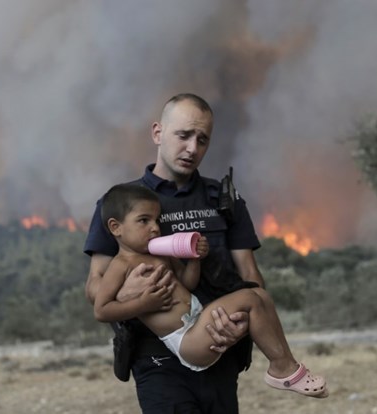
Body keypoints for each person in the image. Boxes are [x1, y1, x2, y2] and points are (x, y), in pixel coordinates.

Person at [84, 93, 265, 413]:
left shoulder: (223, 199)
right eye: (183, 135)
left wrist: (241, 324)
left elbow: (250, 274)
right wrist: (132, 293)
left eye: (202, 139)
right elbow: (95, 284)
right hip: (157, 356)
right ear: (157, 132)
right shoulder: (123, 203)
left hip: (218, 349)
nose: (193, 148)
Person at [93, 183, 328, 399]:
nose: (155, 228)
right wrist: (143, 304)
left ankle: (285, 362)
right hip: (186, 339)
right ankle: (281, 368)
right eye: (144, 221)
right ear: (116, 227)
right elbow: (102, 310)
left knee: (259, 295)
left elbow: (187, 284)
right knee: (249, 297)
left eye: (156, 220)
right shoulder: (120, 265)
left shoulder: (161, 253)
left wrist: (194, 260)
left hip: (198, 320)